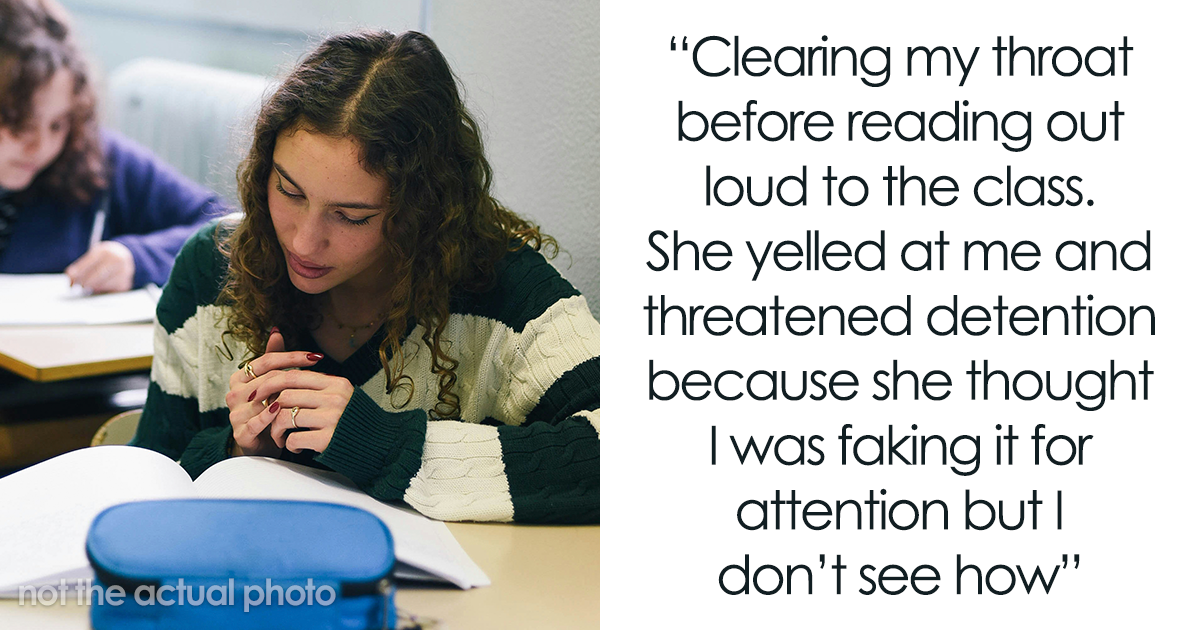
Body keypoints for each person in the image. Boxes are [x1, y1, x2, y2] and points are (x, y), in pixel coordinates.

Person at [131, 30, 600, 524]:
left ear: (421, 211)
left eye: (351, 217)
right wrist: (237, 453)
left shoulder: (502, 289)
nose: (304, 242)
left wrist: (382, 444)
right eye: (289, 191)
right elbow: (148, 480)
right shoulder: (211, 269)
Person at [0, 0, 226, 291]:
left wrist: (139, 259)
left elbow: (228, 228)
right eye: (19, 124)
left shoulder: (99, 160)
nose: (41, 146)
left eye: (57, 124)